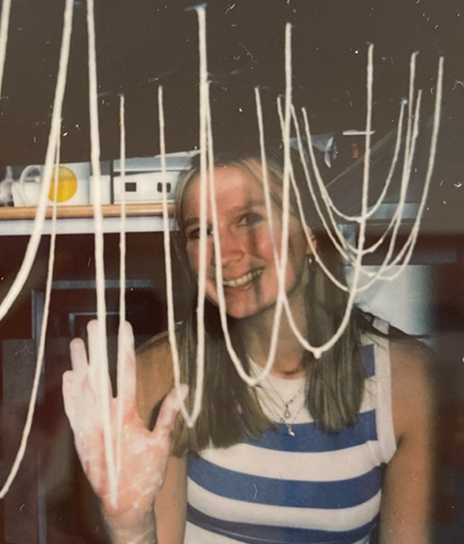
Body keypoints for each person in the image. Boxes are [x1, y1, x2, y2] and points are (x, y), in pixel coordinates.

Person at [63, 144, 435, 544]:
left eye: (248, 219)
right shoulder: (163, 371)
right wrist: (129, 525)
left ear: (310, 232)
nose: (222, 253)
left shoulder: (407, 381)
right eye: (200, 231)